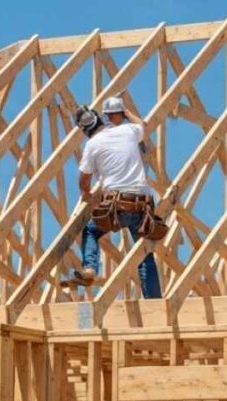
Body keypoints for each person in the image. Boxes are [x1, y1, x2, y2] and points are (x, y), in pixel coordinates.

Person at [69, 95, 163, 299]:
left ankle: (90, 268)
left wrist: (87, 195)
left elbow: (83, 180)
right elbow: (144, 125)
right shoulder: (129, 131)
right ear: (102, 119)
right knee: (144, 256)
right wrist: (127, 112)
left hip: (116, 206)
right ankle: (154, 303)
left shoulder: (92, 145)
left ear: (84, 130)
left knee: (91, 231)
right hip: (142, 205)